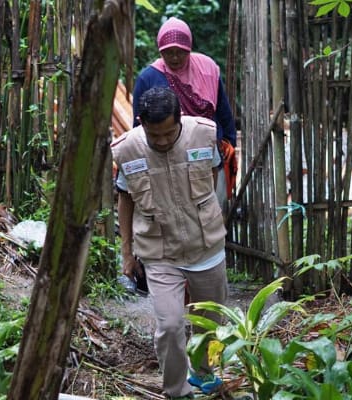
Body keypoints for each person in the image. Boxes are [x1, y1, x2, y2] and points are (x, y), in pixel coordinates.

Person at [112, 87, 228, 399]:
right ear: (141, 123)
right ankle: (177, 392)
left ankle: (204, 373)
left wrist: (210, 216)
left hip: (206, 247)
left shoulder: (203, 135)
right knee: (171, 326)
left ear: (180, 119)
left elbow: (216, 174)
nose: (162, 141)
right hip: (159, 252)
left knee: (210, 322)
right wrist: (127, 254)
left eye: (169, 133)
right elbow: (124, 199)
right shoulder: (127, 150)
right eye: (155, 135)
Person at [133, 16, 238, 207]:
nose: (174, 58)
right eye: (168, 52)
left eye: (180, 52)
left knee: (212, 208)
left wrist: (229, 142)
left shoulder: (208, 69)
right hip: (167, 156)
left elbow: (222, 109)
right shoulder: (148, 78)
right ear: (160, 51)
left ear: (189, 49)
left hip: (209, 152)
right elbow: (138, 125)